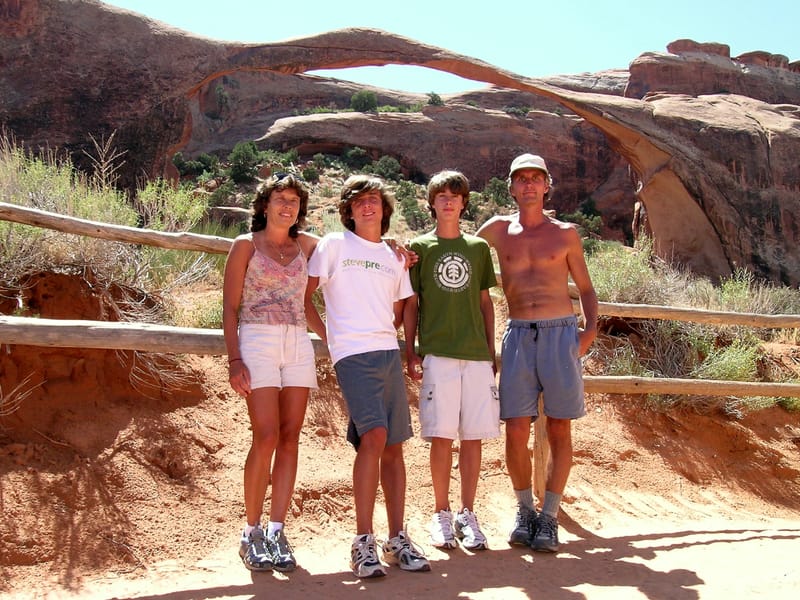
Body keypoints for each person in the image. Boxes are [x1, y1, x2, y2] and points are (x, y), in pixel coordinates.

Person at [305, 174, 431, 579]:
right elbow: (305, 295)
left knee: (394, 444)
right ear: (349, 209)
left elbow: (400, 307)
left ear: (385, 208)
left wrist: (404, 347)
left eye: (374, 199)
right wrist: (330, 337)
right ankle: (363, 542)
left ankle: (397, 538)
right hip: (353, 355)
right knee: (374, 435)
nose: (367, 206)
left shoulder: (394, 256)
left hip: (387, 352)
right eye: (358, 201)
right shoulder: (333, 244)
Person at [476, 153, 598, 553]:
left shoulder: (565, 234)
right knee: (515, 427)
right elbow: (455, 248)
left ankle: (550, 516)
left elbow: (586, 287)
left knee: (560, 426)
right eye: (521, 178)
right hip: (517, 334)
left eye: (536, 178)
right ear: (510, 187)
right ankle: (524, 510)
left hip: (560, 333)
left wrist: (590, 331)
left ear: (547, 185)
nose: (528, 184)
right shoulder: (495, 230)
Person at [223, 173, 320, 573]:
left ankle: (278, 530)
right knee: (265, 435)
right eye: (280, 198)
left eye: (294, 200)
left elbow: (353, 247)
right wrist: (234, 359)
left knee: (290, 436)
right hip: (258, 339)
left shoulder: (308, 246)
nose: (287, 206)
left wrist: (397, 249)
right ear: (265, 204)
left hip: (297, 341)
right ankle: (251, 532)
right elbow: (229, 308)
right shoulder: (245, 245)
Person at [403, 170, 499, 552]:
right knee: (441, 436)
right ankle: (440, 513)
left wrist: (490, 352)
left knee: (472, 437)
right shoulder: (420, 247)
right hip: (438, 354)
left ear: (464, 203)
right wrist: (410, 349)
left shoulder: (477, 248)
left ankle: (467, 512)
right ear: (431, 203)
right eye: (440, 195)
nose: (448, 201)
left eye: (455, 196)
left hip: (475, 356)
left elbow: (485, 303)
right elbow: (412, 303)